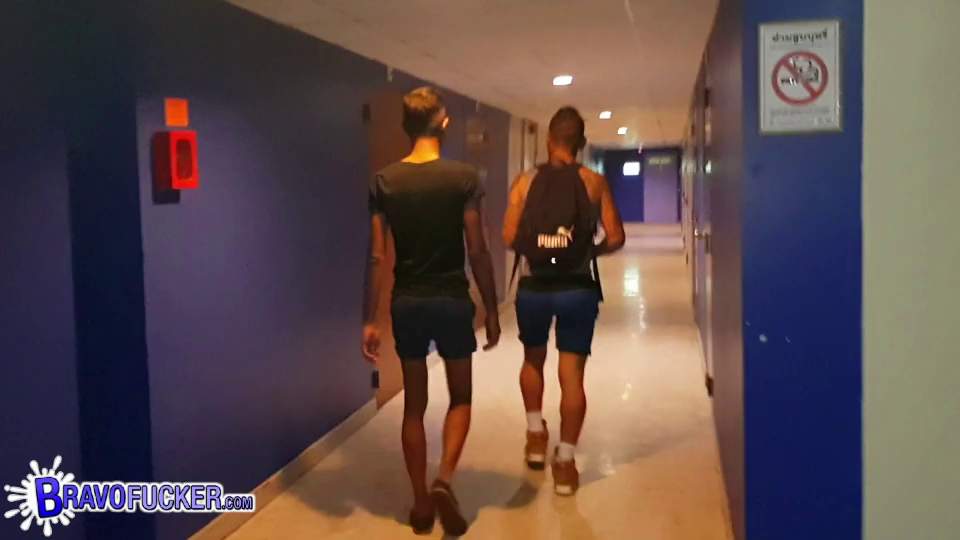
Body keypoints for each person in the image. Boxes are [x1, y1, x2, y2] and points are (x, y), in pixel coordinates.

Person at [361, 86, 501, 536]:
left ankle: (421, 503)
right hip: (452, 300)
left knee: (413, 407)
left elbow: (377, 256)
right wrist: (492, 308)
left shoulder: (384, 181)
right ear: (443, 124)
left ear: (406, 126)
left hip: (408, 303)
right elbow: (477, 249)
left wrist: (369, 318)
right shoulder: (463, 178)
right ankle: (443, 480)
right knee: (460, 397)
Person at [502, 106, 625, 496]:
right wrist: (588, 252)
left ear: (548, 139)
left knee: (532, 360)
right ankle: (566, 464)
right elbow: (616, 237)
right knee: (572, 376)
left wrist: (540, 250)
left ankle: (535, 437)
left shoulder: (525, 182)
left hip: (534, 289)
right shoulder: (593, 182)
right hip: (577, 290)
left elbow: (508, 236)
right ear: (581, 143)